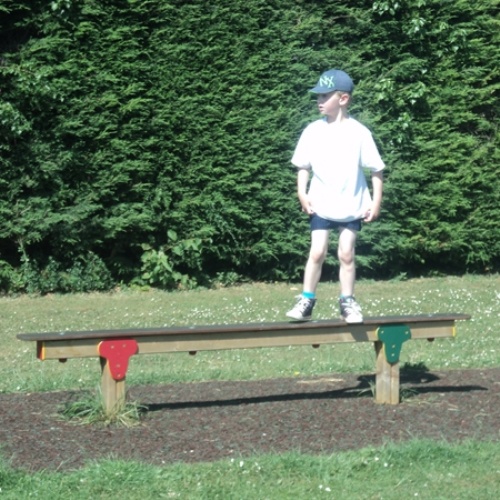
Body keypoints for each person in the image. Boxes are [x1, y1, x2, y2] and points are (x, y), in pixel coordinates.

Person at [286, 69, 385, 323]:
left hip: (352, 205)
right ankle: (306, 301)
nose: (319, 101)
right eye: (318, 96)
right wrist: (302, 193)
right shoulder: (312, 131)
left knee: (346, 253)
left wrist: (375, 202)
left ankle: (347, 302)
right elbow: (303, 166)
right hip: (320, 204)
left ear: (343, 99)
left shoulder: (360, 132)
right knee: (317, 252)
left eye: (324, 96)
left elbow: (376, 169)